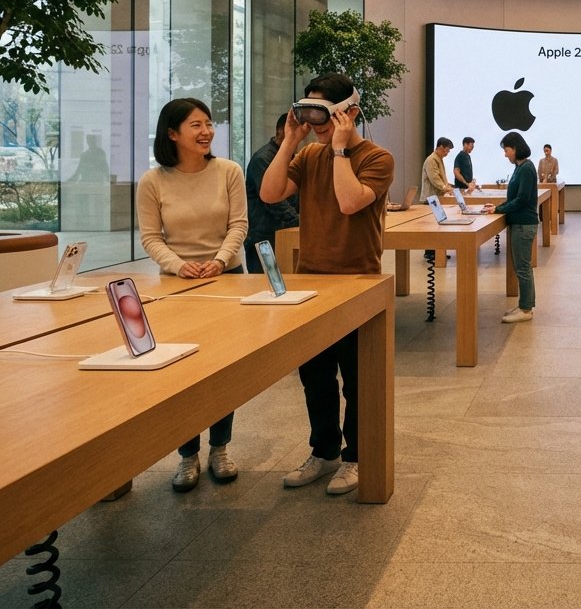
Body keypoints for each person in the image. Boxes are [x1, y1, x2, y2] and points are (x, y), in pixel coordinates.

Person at [260, 74, 394, 496]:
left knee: (356, 379)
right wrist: (290, 141)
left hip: (358, 281)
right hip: (311, 280)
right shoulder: (309, 155)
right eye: (309, 112)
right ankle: (324, 451)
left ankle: (356, 458)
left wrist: (338, 149)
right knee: (315, 378)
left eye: (324, 114)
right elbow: (270, 193)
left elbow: (349, 202)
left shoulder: (377, 158)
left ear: (349, 113)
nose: (315, 122)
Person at [137, 98, 248, 493]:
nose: (206, 132)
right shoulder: (153, 181)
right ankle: (187, 454)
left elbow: (239, 225)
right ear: (172, 133)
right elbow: (151, 237)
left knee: (222, 367)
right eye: (195, 125)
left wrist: (219, 261)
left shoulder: (229, 171)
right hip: (176, 286)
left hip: (227, 279)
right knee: (182, 371)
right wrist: (178, 265)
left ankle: (220, 448)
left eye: (209, 123)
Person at [484, 132, 539, 323]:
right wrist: (497, 207)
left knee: (523, 268)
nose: (505, 154)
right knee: (521, 267)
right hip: (519, 223)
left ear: (515, 149)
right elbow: (514, 198)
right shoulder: (520, 167)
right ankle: (524, 304)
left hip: (524, 224)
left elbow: (522, 199)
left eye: (507, 150)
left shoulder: (526, 168)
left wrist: (499, 209)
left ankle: (526, 309)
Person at [244, 112, 301, 274]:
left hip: (285, 234)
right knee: (264, 283)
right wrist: (300, 222)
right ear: (280, 131)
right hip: (264, 236)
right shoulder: (263, 158)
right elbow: (274, 201)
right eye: (292, 130)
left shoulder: (293, 156)